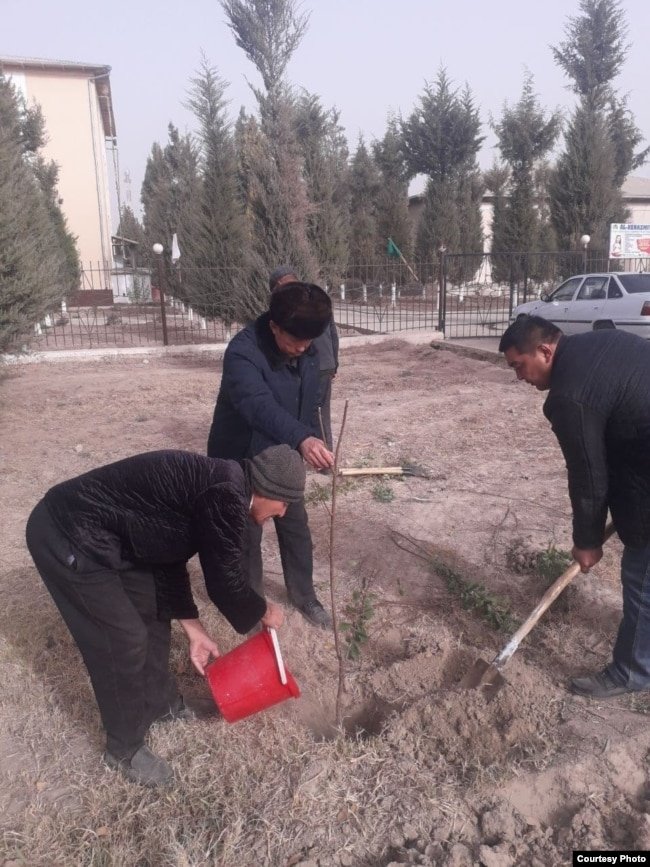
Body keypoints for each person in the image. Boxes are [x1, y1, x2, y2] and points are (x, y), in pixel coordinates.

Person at [25, 444, 306, 786]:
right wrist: (264, 610)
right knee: (123, 639)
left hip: (119, 538)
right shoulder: (226, 496)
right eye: (285, 502)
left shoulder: (225, 484)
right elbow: (224, 581)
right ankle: (123, 749)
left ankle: (161, 704)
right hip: (68, 533)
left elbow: (167, 555)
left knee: (154, 610)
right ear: (268, 490)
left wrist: (194, 629)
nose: (285, 512)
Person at [499, 314, 650, 698]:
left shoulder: (569, 396)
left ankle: (632, 672)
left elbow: (587, 475)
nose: (520, 378)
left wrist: (587, 540)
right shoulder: (599, 343)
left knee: (642, 576)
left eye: (520, 366)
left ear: (545, 351)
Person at [207, 281, 335, 628]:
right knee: (247, 534)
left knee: (296, 527)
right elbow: (256, 405)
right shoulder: (243, 352)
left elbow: (309, 405)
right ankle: (252, 608)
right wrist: (302, 439)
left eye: (308, 343)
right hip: (242, 457)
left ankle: (304, 595)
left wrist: (311, 438)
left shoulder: (306, 350)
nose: (302, 349)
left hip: (283, 456)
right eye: (295, 341)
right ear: (274, 326)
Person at [269, 266, 339, 451]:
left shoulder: (289, 308)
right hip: (326, 364)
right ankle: (322, 454)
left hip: (314, 367)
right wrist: (334, 363)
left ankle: (323, 458)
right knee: (319, 412)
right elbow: (333, 333)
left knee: (313, 413)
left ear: (279, 285)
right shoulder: (314, 298)